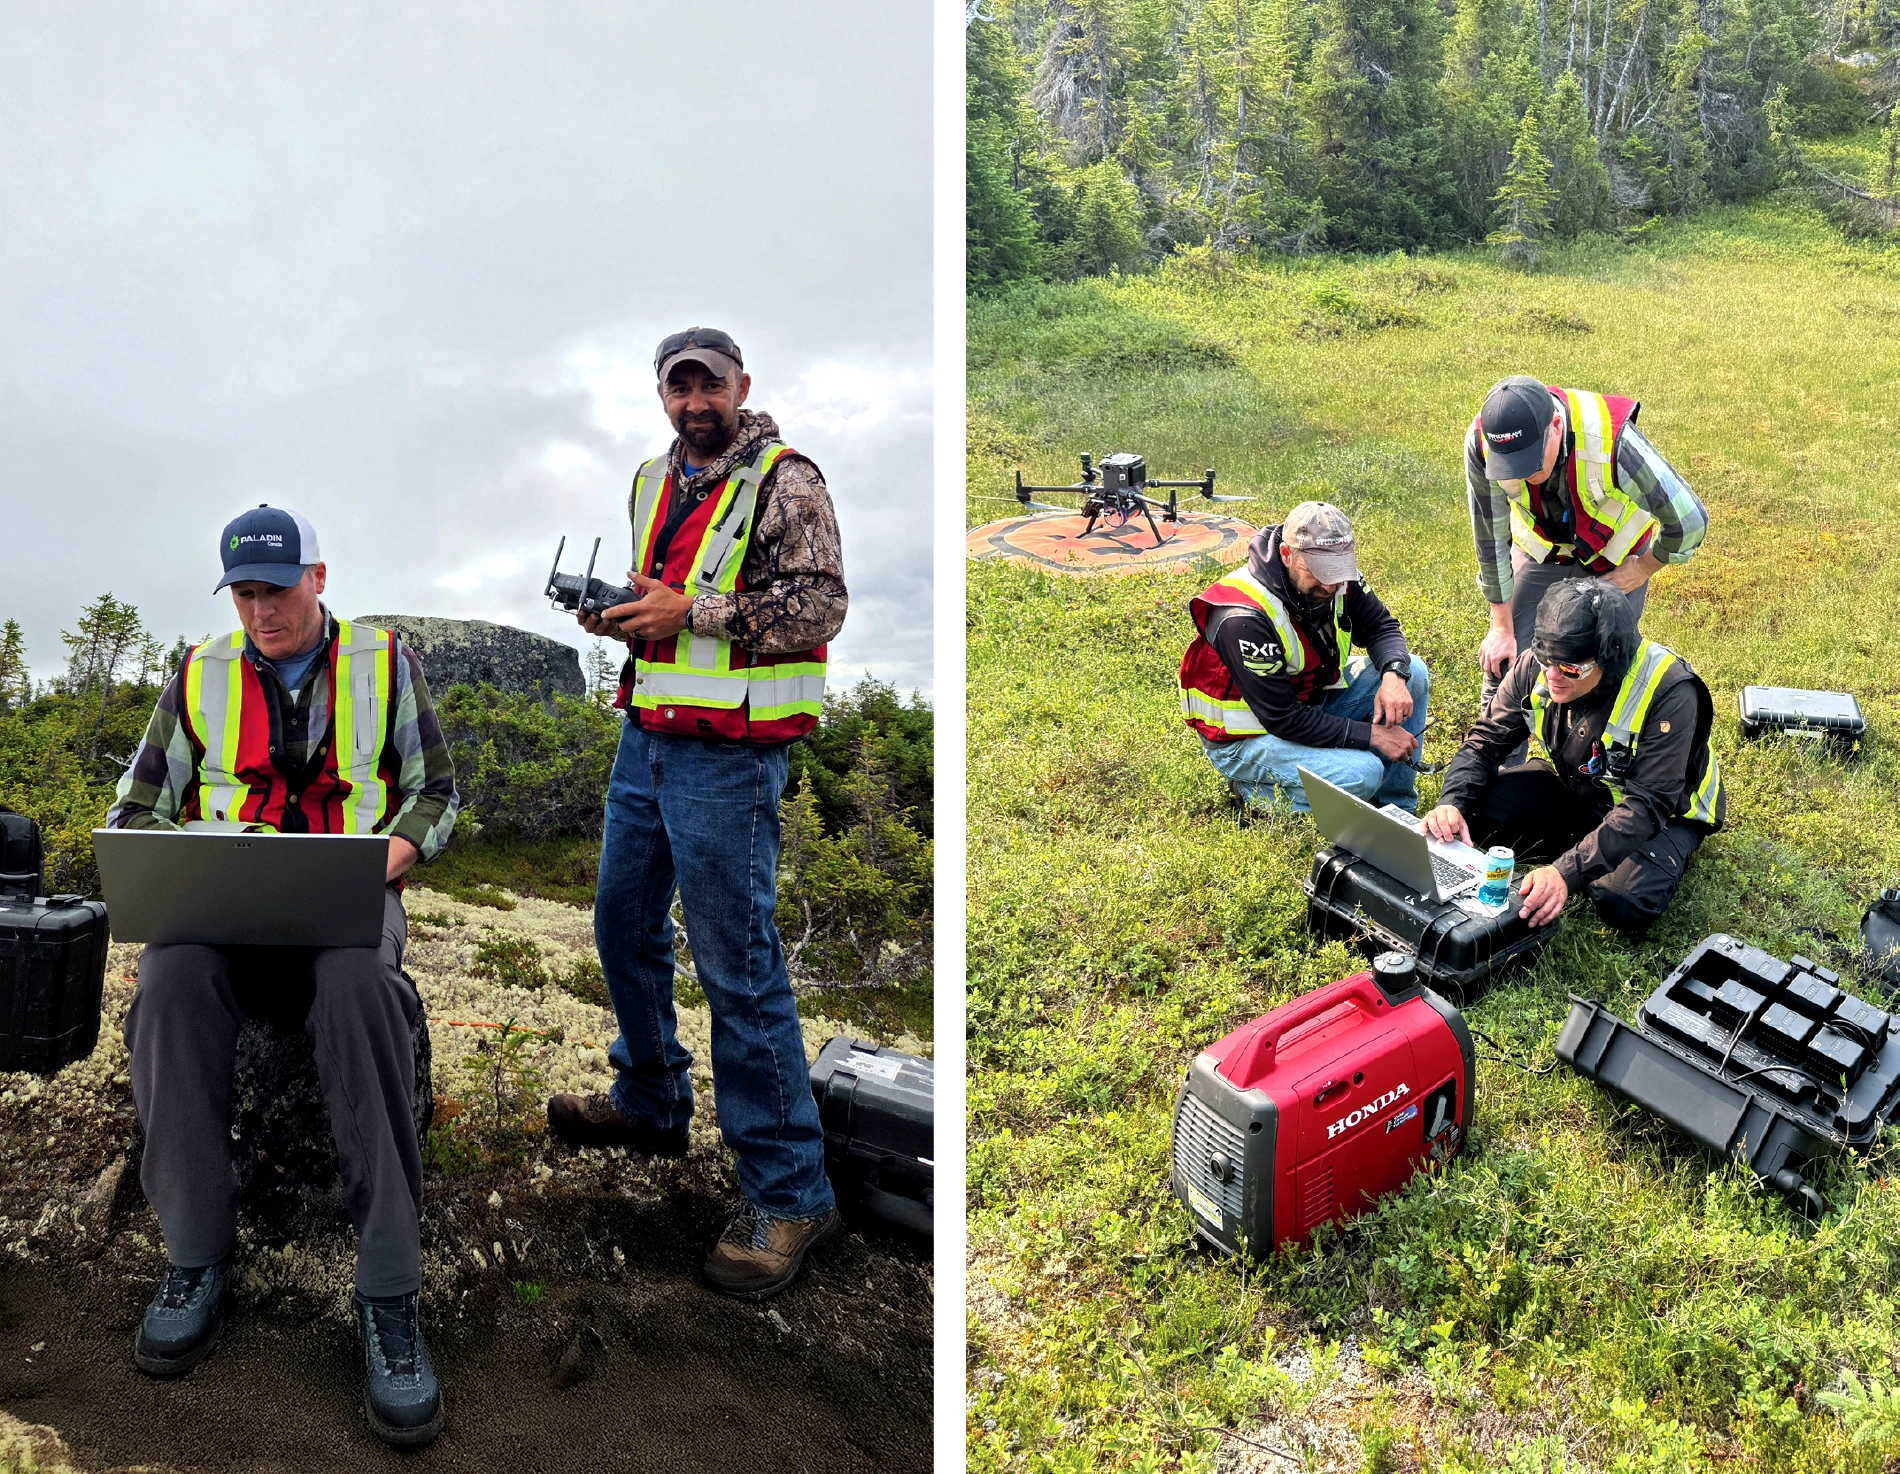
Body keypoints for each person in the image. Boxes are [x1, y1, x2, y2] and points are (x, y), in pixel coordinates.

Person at [104, 505, 459, 1445]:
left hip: (350, 893)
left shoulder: (388, 662)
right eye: (246, 593)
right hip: (225, 901)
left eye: (279, 588)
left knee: (362, 992)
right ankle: (196, 1255)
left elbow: (436, 793)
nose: (263, 610)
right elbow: (137, 806)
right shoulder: (198, 672)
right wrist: (190, 858)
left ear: (320, 576)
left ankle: (388, 1292)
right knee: (168, 982)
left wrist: (385, 859)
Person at [546, 326, 848, 1300]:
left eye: (707, 385)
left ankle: (790, 1193)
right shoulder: (652, 479)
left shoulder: (785, 480)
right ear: (661, 395)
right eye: (677, 388)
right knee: (621, 923)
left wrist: (695, 613)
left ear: (740, 386)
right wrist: (620, 616)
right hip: (649, 737)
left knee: (737, 966)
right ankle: (650, 1101)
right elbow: (662, 600)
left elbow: (819, 609)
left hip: (731, 757)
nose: (692, 402)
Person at [1424, 579, 1724, 937]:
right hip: (1580, 791)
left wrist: (1565, 873)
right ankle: (1586, 842)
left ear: (1611, 658)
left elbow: (1648, 804)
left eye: (1570, 669)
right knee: (1471, 816)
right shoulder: (1540, 664)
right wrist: (1453, 802)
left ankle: (1628, 852)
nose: (1552, 676)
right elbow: (1485, 741)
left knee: (1621, 899)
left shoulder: (1670, 690)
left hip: (1667, 814)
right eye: (1546, 659)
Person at [1468, 376, 1707, 714]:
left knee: (1595, 663)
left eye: (1531, 461)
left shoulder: (1614, 442)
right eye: (1512, 465)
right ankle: (1498, 766)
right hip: (1544, 548)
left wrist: (1642, 568)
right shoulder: (1483, 442)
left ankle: (1588, 756)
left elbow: (1689, 520)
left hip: (1614, 556)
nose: (1522, 474)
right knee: (1506, 661)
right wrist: (1501, 627)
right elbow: (1488, 536)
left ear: (1554, 425)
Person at [1179, 501, 1431, 814]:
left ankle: (1396, 809)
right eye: (1318, 572)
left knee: (1413, 671)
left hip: (1310, 700)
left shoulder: (1339, 580)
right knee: (1362, 774)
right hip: (1248, 738)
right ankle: (1254, 793)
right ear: (1287, 555)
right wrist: (1372, 735)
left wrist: (1394, 675)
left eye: (1338, 571)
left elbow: (1381, 627)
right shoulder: (1243, 616)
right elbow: (1283, 718)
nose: (1330, 585)